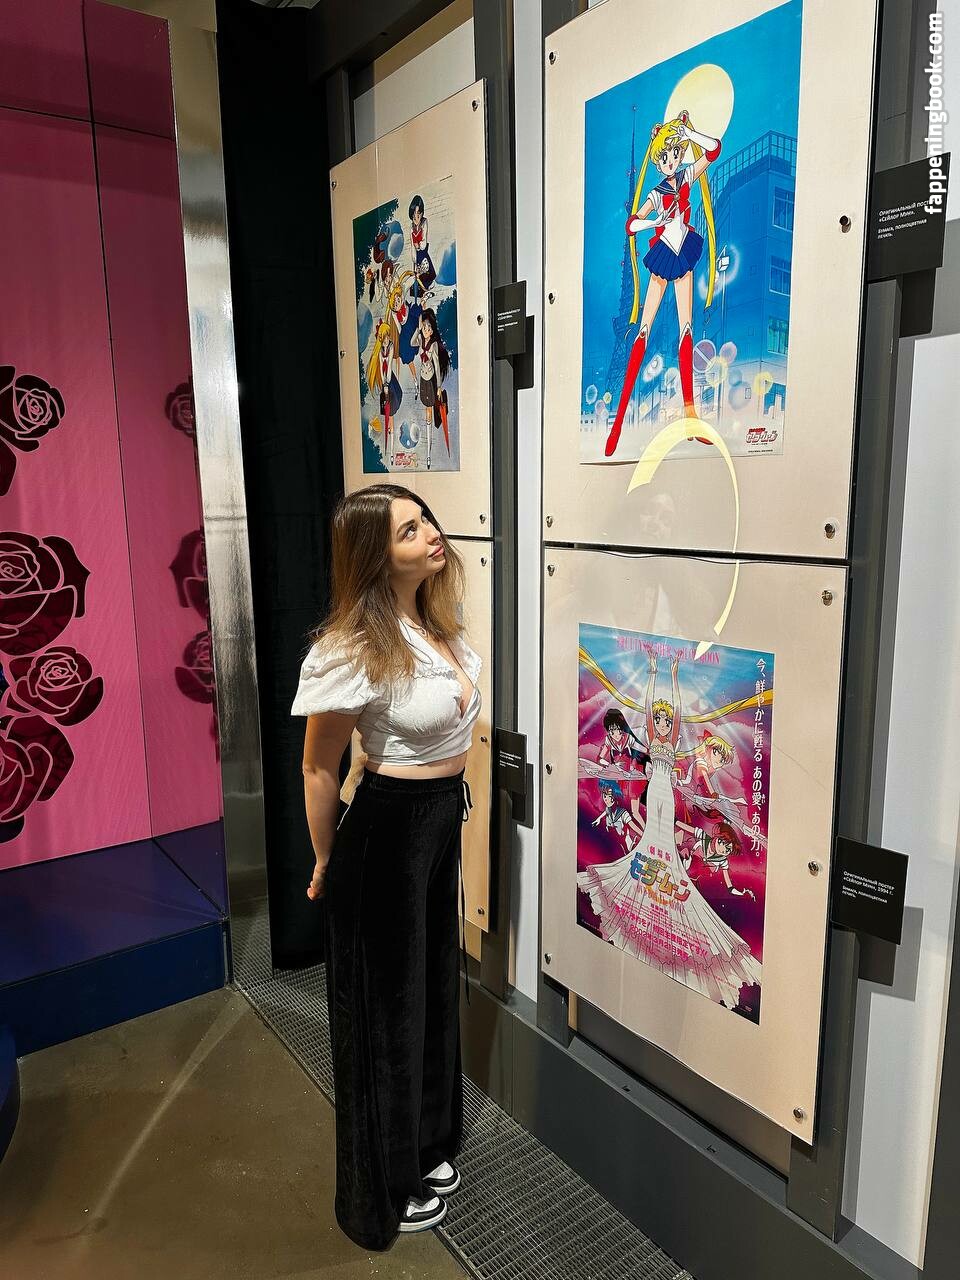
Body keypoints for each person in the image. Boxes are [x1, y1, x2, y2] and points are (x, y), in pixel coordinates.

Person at [290, 483, 482, 1248]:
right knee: (384, 1015)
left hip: (437, 824)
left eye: (425, 519)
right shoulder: (351, 648)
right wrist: (325, 857)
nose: (431, 533)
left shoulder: (434, 624)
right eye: (408, 530)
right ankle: (381, 1186)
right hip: (386, 834)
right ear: (375, 557)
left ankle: (427, 1143)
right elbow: (318, 766)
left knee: (432, 990)